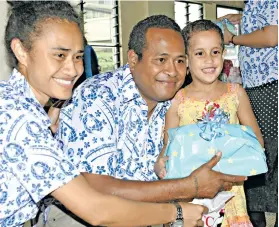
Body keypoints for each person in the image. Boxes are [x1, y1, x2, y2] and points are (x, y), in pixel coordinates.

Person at [0, 1, 210, 227]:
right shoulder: (17, 115)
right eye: (60, 55)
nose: (74, 70)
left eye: (78, 57)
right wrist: (178, 211)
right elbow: (95, 209)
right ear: (21, 51)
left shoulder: (21, 106)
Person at [57, 14, 246, 226]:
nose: (173, 71)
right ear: (133, 59)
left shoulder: (176, 103)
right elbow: (94, 189)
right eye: (161, 60)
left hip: (153, 214)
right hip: (83, 218)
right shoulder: (98, 97)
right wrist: (188, 187)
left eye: (180, 61)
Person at [154, 20, 263, 227]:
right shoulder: (177, 101)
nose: (209, 60)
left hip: (231, 194)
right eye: (200, 53)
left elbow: (256, 140)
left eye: (215, 52)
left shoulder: (235, 93)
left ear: (223, 53)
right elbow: (168, 150)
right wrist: (161, 164)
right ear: (186, 59)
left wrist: (240, 157)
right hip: (192, 195)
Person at [218, 1, 278, 226]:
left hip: (269, 85)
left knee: (265, 153)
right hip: (258, 85)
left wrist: (232, 39)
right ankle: (256, 215)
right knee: (259, 151)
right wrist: (244, 20)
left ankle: (258, 214)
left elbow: (272, 36)